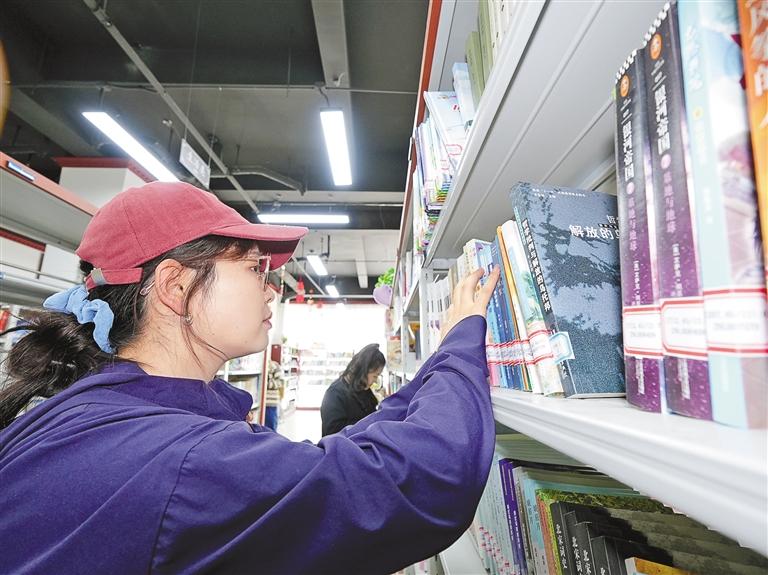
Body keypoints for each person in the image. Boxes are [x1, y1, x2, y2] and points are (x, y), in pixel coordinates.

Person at [0, 181, 500, 574]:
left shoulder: (110, 411)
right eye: (255, 268)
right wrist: (462, 343)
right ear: (176, 286)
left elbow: (336, 458)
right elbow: (430, 479)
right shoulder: (183, 460)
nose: (271, 290)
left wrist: (433, 370)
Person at [321, 343, 385, 436]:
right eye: (375, 376)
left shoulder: (363, 389)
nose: (375, 381)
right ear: (363, 371)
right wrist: (369, 424)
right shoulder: (334, 394)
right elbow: (332, 432)